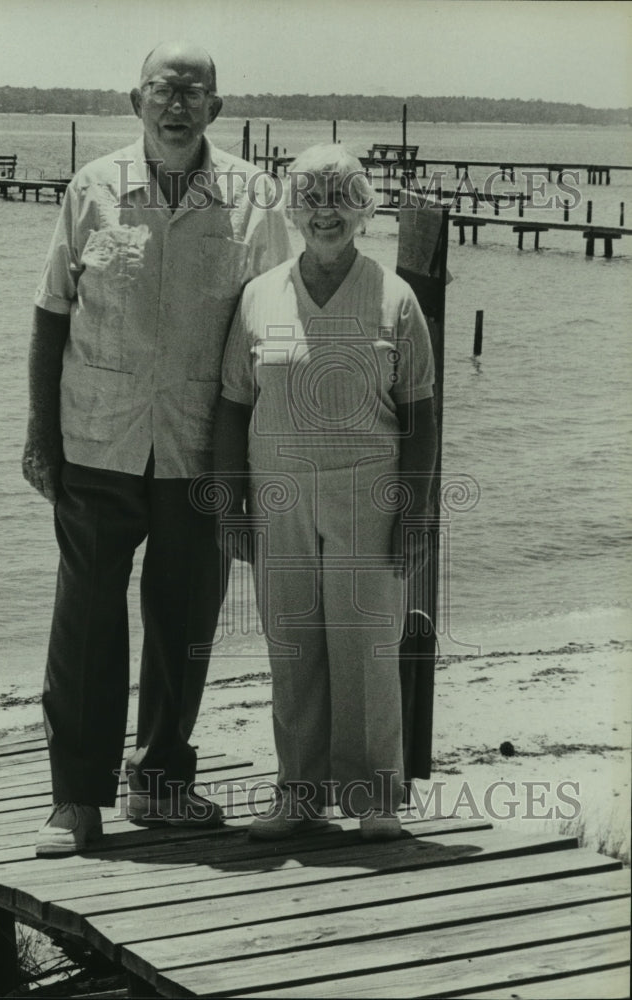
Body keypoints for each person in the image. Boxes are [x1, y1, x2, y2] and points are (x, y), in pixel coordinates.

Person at [23, 41, 291, 857]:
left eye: (192, 92)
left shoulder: (254, 198)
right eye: (161, 90)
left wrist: (254, 468)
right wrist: (40, 432)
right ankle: (76, 799)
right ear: (134, 100)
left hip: (200, 449)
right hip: (97, 438)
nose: (176, 105)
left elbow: (274, 335)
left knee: (183, 621)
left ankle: (162, 783)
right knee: (86, 618)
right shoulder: (92, 189)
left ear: (216, 107)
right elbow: (50, 315)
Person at [213, 145, 437, 841]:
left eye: (341, 195)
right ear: (292, 208)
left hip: (367, 496)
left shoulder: (394, 296)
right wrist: (230, 508)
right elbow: (230, 406)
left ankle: (375, 799)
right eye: (311, 196)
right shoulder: (259, 294)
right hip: (276, 494)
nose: (326, 210)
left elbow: (422, 415)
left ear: (364, 208)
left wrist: (415, 512)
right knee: (293, 647)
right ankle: (298, 793)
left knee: (366, 647)